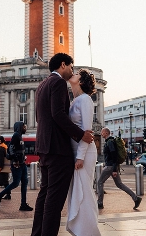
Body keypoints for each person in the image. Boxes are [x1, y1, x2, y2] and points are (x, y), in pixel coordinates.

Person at [31, 53, 94, 236]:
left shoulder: (42, 85)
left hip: (44, 147)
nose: (72, 71)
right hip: (58, 150)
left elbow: (40, 118)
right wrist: (81, 135)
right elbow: (58, 114)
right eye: (71, 67)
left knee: (44, 196)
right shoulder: (58, 83)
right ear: (63, 64)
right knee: (54, 201)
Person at [66, 69, 101, 236]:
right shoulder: (75, 100)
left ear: (81, 81)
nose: (74, 73)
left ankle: (89, 231)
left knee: (85, 191)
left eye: (78, 73)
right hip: (75, 152)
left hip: (85, 153)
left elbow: (87, 131)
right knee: (78, 190)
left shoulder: (85, 99)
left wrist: (80, 156)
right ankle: (80, 229)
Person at [97, 127, 142, 210]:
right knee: (119, 184)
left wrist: (114, 169)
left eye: (102, 132)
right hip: (112, 166)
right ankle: (136, 198)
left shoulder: (110, 142)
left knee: (100, 182)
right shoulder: (109, 141)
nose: (101, 133)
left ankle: (100, 203)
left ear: (106, 133)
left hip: (110, 167)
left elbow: (114, 156)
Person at [0, 122, 33, 211]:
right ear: (19, 127)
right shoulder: (16, 136)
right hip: (17, 164)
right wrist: (15, 160)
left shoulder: (19, 136)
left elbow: (19, 149)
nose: (25, 128)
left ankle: (23, 204)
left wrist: (23, 157)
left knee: (24, 183)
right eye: (24, 126)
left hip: (22, 163)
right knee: (15, 183)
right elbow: (10, 149)